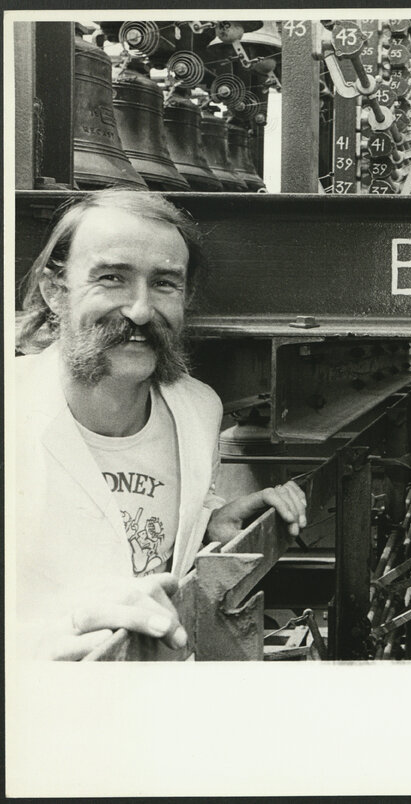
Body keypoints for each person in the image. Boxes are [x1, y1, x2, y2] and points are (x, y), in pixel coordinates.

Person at [14, 189, 308, 660]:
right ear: (56, 289)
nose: (140, 311)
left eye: (165, 284)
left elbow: (142, 515)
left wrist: (212, 520)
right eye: (112, 278)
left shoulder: (197, 409)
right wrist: (58, 631)